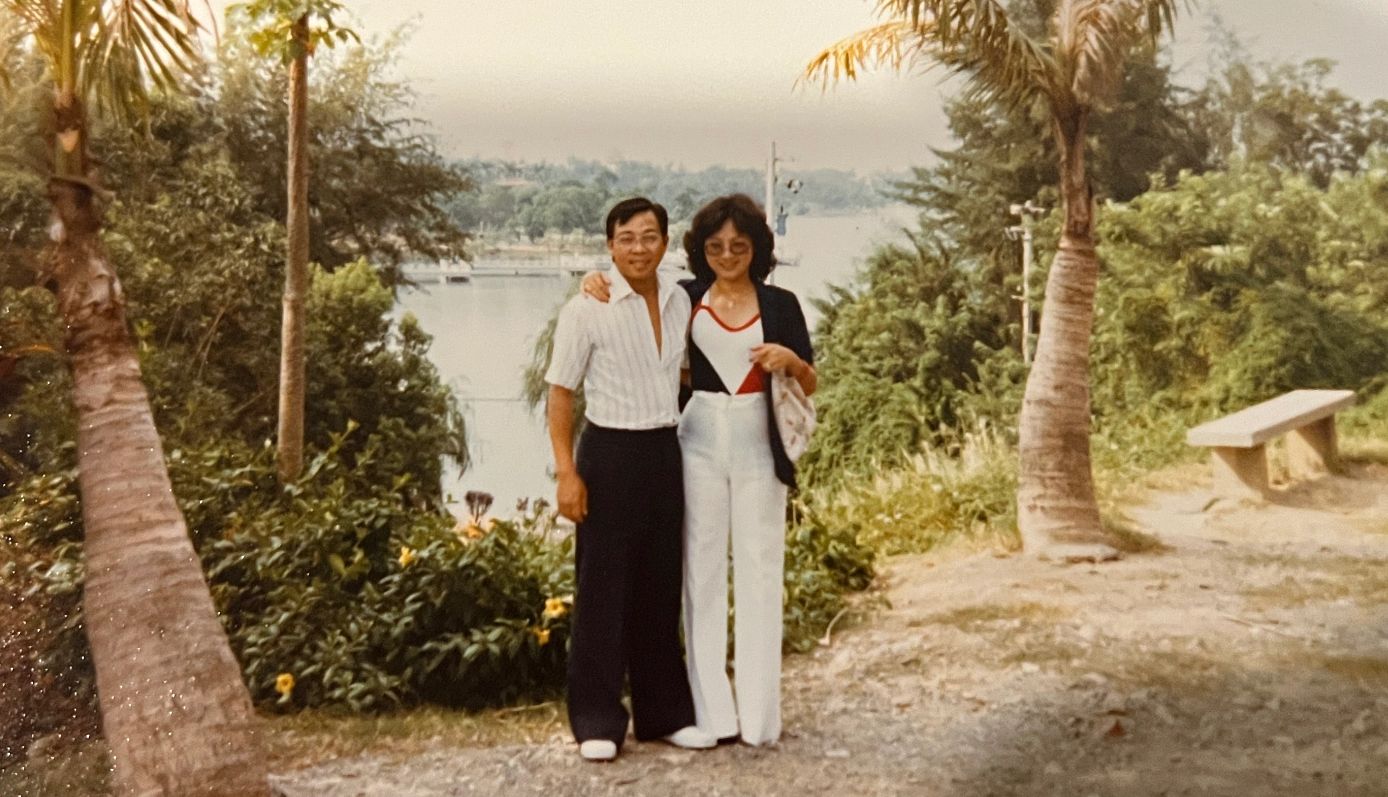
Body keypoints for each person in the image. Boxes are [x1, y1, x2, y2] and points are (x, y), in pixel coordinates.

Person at [581, 193, 816, 746]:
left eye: (739, 245)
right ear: (700, 250)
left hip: (760, 442)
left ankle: (759, 719)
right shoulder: (684, 297)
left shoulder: (781, 304)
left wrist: (792, 362)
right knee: (701, 575)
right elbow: (627, 295)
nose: (727, 254)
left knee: (761, 571)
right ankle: (711, 714)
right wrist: (593, 281)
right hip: (698, 440)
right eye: (715, 246)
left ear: (756, 248)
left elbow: (810, 384)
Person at [544, 197, 716, 762]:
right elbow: (561, 392)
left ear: (665, 243)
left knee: (660, 588)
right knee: (602, 591)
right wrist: (566, 472)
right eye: (626, 238)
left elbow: (693, 361)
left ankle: (664, 714)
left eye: (649, 237)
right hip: (610, 452)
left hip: (665, 452)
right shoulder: (586, 308)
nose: (638, 248)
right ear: (610, 245)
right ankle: (596, 719)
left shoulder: (679, 299)